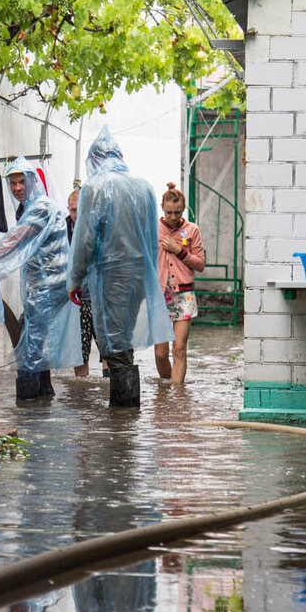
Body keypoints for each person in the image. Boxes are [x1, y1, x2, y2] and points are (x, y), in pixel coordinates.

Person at [68, 127, 173, 407]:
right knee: (122, 339)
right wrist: (150, 277)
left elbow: (85, 239)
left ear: (94, 159)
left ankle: (123, 414)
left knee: (114, 345)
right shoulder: (145, 186)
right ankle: (125, 420)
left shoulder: (94, 187)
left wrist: (74, 279)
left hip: (110, 275)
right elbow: (153, 238)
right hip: (140, 274)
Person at [0, 156, 82, 400]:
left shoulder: (41, 207)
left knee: (31, 347)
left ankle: (27, 405)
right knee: (36, 342)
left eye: (21, 182)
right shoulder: (31, 207)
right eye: (12, 184)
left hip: (47, 288)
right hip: (42, 288)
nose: (17, 188)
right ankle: (43, 398)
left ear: (32, 181)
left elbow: (15, 240)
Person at [154, 183, 205, 384]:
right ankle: (166, 390)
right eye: (169, 213)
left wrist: (179, 250)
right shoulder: (153, 229)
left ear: (183, 209)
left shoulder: (192, 230)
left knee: (179, 349)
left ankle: (177, 397)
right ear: (162, 208)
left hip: (184, 295)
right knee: (160, 353)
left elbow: (200, 264)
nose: (173, 217)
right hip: (159, 297)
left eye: (177, 212)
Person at [66, 187, 99, 378]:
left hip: (98, 296)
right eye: (73, 210)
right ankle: (81, 395)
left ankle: (107, 389)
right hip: (76, 299)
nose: (76, 215)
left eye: (80, 210)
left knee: (106, 349)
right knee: (80, 349)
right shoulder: (63, 229)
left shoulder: (97, 229)